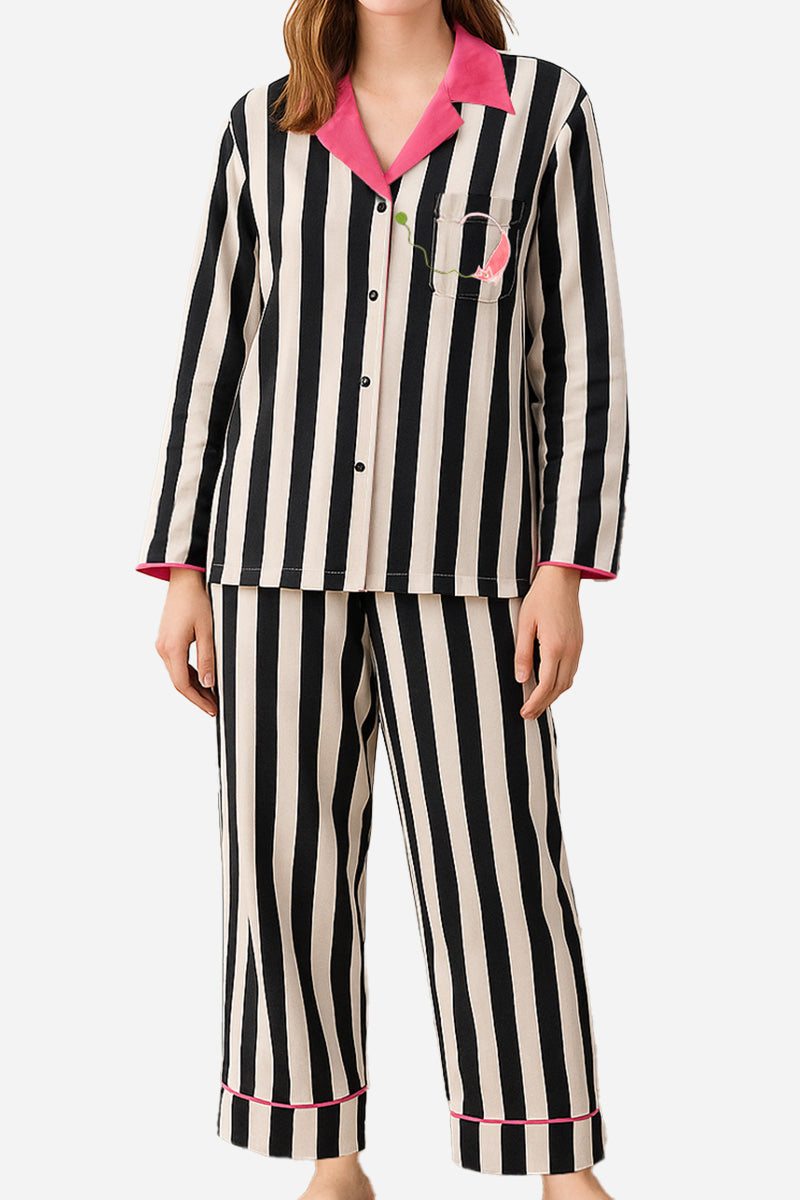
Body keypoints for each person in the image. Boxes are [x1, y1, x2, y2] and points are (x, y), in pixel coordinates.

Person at [136, 1, 629, 1197]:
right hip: (272, 560)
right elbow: (211, 353)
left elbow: (582, 359)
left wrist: (563, 567)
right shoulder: (264, 125)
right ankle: (329, 1157)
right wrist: (183, 566)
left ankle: (556, 1165)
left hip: (473, 567)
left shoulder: (542, 111)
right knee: (280, 866)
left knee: (499, 864)